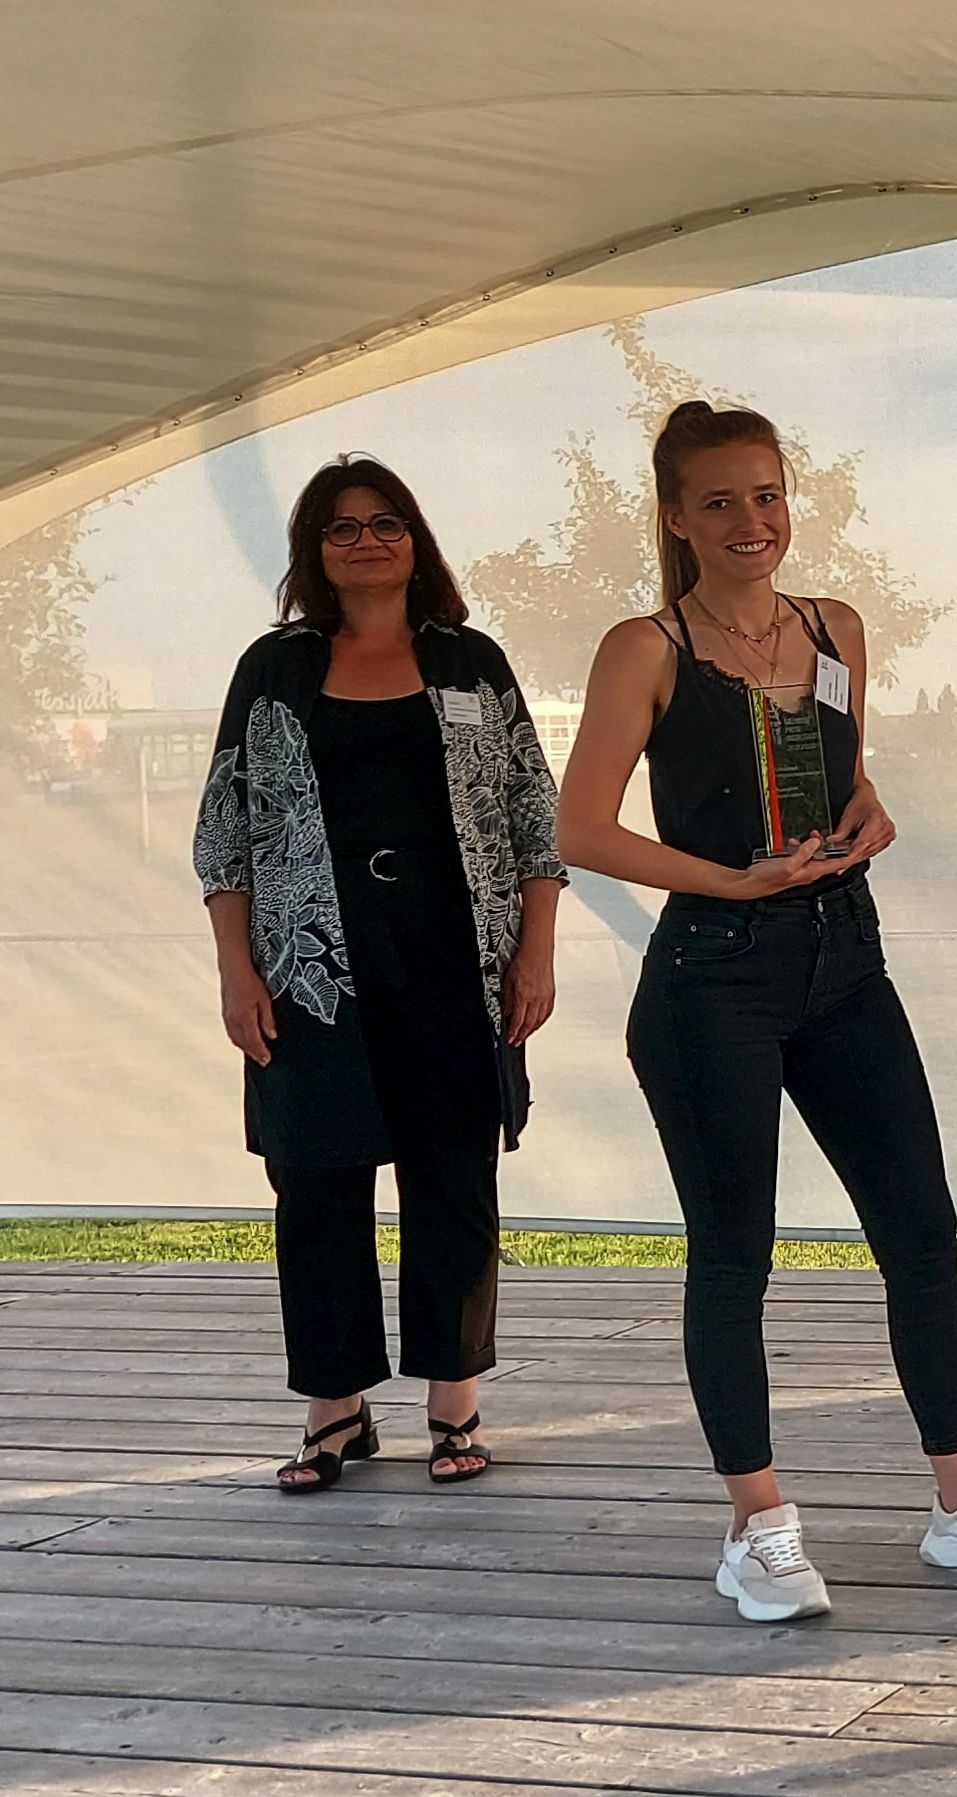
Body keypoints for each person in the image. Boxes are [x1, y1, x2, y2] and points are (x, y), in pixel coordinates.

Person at [557, 400, 957, 1623]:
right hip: (711, 981)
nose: (754, 521)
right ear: (679, 519)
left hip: (846, 962)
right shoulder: (645, 647)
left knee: (920, 1228)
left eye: (769, 494)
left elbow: (843, 772)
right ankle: (759, 1527)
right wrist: (730, 878)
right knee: (735, 1255)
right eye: (723, 501)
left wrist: (873, 812)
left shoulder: (836, 626)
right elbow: (578, 828)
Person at [193, 456, 564, 1494]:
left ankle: (454, 1404)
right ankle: (336, 1410)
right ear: (313, 550)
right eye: (341, 526)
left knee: (453, 1178)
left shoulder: (470, 664)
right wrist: (236, 974)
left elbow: (536, 820)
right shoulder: (272, 671)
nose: (365, 540)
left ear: (416, 540)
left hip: (454, 965)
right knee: (315, 1182)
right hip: (309, 973)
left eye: (385, 522)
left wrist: (534, 953)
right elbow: (225, 837)